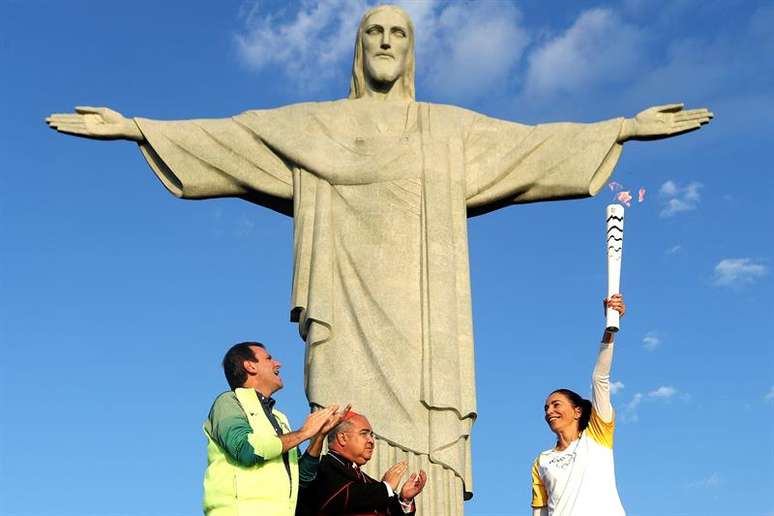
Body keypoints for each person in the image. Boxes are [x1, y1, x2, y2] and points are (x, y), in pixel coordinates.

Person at [46, 5, 712, 512]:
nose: (386, 42)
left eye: (398, 33)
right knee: (346, 429)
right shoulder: (316, 127)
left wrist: (621, 126)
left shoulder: (446, 131)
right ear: (358, 49)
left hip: (426, 324)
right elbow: (234, 138)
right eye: (374, 33)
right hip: (344, 308)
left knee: (428, 445)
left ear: (412, 49)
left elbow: (533, 147)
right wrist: (139, 128)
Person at [204, 341, 347, 516]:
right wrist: (303, 433)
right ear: (250, 366)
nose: (277, 363)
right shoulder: (228, 402)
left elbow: (300, 479)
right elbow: (247, 450)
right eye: (268, 358)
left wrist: (318, 436)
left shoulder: (280, 418)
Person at [530, 294, 627, 516]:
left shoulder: (597, 434)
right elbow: (540, 512)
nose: (549, 412)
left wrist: (610, 327)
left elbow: (600, 378)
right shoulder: (542, 461)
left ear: (577, 411)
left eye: (556, 405)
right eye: (546, 408)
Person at [296, 411, 427, 515]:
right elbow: (344, 498)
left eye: (372, 435)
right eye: (364, 434)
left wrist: (404, 499)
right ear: (342, 438)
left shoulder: (369, 483)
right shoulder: (323, 469)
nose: (371, 441)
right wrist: (386, 487)